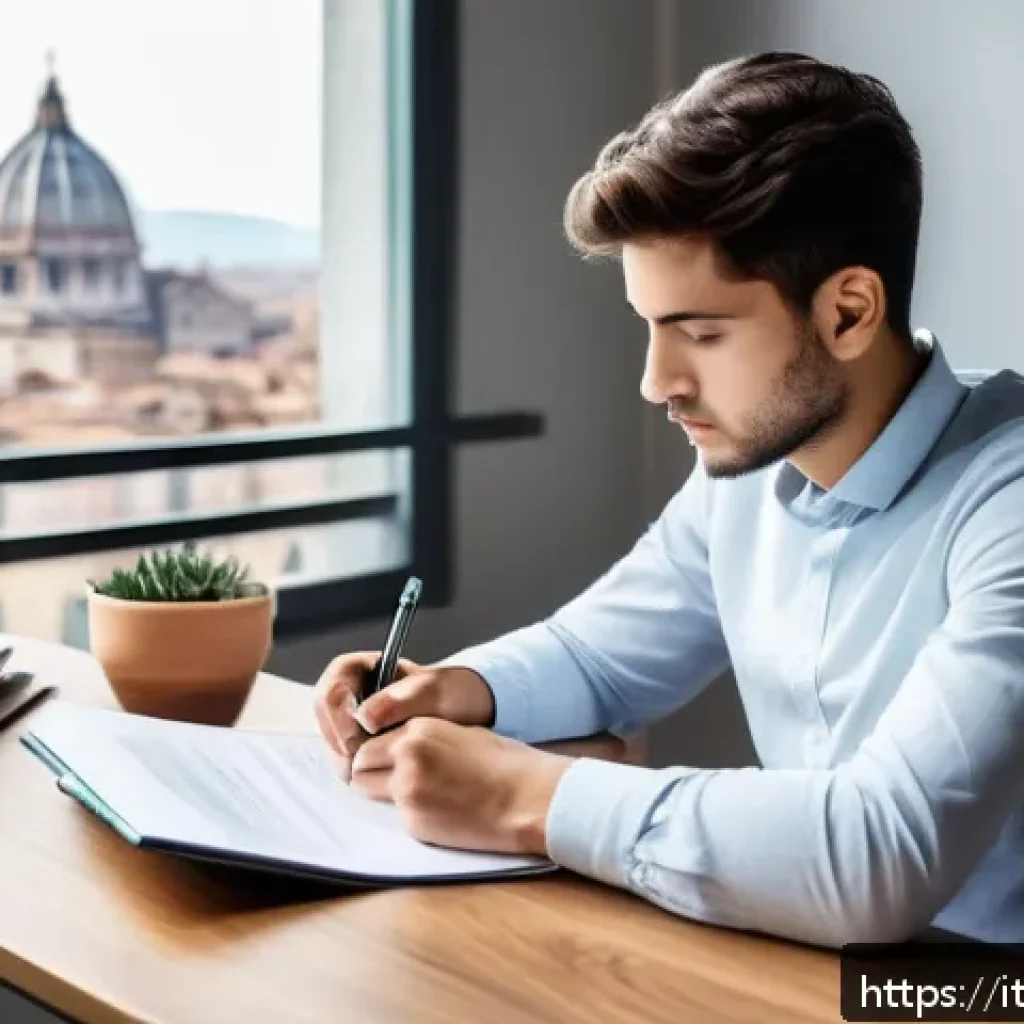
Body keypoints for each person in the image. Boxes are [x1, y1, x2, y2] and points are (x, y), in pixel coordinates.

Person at [314, 51, 1024, 949]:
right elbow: (600, 659)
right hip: (815, 964)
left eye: (703, 333)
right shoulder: (754, 467)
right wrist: (457, 693)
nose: (657, 382)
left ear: (848, 312)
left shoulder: (1008, 501)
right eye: (651, 327)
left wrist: (526, 795)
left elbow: (882, 855)